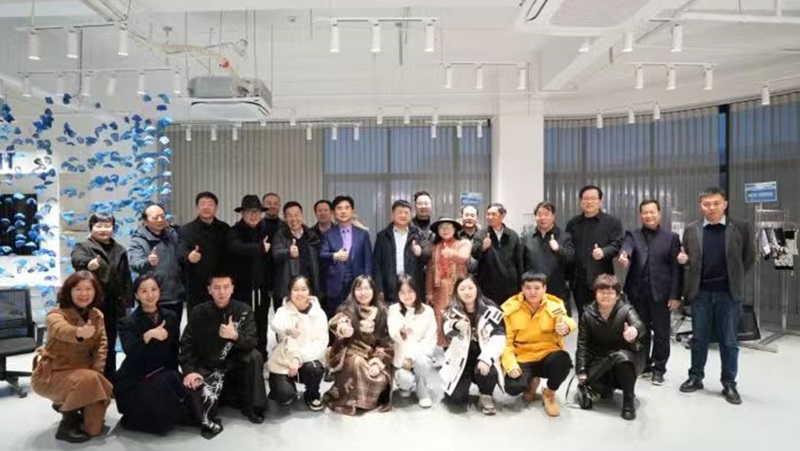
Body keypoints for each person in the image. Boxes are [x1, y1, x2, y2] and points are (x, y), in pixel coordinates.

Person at [115, 274, 220, 438]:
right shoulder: (127, 322)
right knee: (162, 424)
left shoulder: (170, 316)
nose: (150, 295)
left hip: (165, 374)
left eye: (153, 289)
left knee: (199, 391)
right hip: (136, 379)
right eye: (144, 291)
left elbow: (174, 351)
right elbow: (131, 354)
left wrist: (182, 378)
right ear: (136, 295)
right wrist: (146, 337)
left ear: (159, 291)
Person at [678, 187, 755, 405]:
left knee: (729, 341)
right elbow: (688, 259)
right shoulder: (691, 229)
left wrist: (734, 278)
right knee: (699, 339)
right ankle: (695, 377)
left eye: (716, 203)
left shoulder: (740, 228)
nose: (711, 208)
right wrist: (685, 262)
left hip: (728, 295)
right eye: (706, 204)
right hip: (700, 294)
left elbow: (749, 258)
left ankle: (729, 383)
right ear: (701, 206)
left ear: (725, 204)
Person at [31, 271, 113, 443]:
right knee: (89, 379)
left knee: (94, 429)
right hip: (52, 375)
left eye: (88, 289)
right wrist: (79, 332)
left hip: (84, 376)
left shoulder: (97, 315)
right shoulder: (56, 314)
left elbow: (102, 347)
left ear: (95, 291)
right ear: (69, 291)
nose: (84, 293)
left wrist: (97, 375)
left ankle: (75, 402)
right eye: (78, 289)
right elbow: (61, 329)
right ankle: (66, 423)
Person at [179, 274, 268, 424]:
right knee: (201, 413)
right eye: (217, 287)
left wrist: (235, 336)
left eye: (226, 287)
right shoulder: (199, 311)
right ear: (209, 290)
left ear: (232, 289)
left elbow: (253, 341)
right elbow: (186, 344)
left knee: (255, 356)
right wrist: (190, 371)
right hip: (208, 366)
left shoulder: (243, 309)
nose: (222, 292)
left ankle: (255, 407)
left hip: (235, 364)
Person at [618, 199, 682, 385]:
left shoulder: (671, 238)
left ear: (659, 213)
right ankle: (643, 365)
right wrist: (624, 256)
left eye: (652, 212)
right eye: (645, 212)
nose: (648, 215)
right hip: (637, 293)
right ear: (640, 215)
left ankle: (659, 369)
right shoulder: (633, 234)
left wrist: (675, 295)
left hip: (661, 294)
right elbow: (627, 247)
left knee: (662, 334)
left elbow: (676, 269)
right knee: (640, 331)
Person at [501, 272, 575, 417]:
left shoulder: (555, 305)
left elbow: (568, 321)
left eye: (537, 288)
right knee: (513, 388)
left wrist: (566, 327)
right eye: (528, 288)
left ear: (544, 288)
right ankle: (531, 382)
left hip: (547, 353)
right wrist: (510, 365)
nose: (532, 292)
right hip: (523, 356)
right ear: (522, 288)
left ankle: (549, 393)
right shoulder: (509, 309)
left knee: (563, 360)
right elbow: (506, 343)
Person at [71, 212, 133, 382]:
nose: (103, 229)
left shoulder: (120, 249)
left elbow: (126, 277)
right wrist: (88, 264)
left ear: (113, 228)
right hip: (92, 305)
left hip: (115, 305)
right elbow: (77, 260)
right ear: (91, 228)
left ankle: (108, 380)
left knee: (109, 344)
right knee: (90, 344)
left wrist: (128, 303)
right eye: (99, 226)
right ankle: (88, 381)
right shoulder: (83, 246)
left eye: (107, 226)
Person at [575, 274, 646, 421]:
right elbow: (582, 345)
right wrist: (581, 370)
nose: (605, 296)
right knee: (597, 388)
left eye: (610, 293)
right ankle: (600, 387)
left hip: (626, 359)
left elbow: (639, 324)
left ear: (618, 295)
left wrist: (634, 331)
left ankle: (628, 402)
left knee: (621, 357)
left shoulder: (626, 309)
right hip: (600, 361)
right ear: (595, 293)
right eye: (601, 292)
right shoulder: (587, 314)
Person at [324, 275, 393, 415]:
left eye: (367, 288)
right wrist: (343, 329)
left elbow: (387, 341)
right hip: (350, 352)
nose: (363, 292)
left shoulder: (382, 311)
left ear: (373, 291)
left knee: (381, 377)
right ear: (353, 291)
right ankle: (352, 401)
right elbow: (337, 322)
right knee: (356, 363)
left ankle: (366, 401)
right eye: (359, 289)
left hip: (374, 354)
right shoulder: (346, 308)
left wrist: (377, 363)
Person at [440, 276, 505, 415]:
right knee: (456, 399)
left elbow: (499, 336)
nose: (467, 292)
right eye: (462, 289)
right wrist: (455, 325)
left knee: (489, 371)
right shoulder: (451, 310)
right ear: (456, 292)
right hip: (460, 360)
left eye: (470, 288)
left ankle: (486, 394)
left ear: (477, 289)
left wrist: (486, 358)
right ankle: (460, 386)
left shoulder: (491, 309)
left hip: (483, 355)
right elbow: (446, 332)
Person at [267, 275, 328, 411]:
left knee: (314, 369)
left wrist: (298, 358)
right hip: (285, 360)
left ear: (310, 291)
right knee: (283, 395)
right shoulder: (283, 311)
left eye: (303, 289)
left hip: (307, 359)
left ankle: (312, 394)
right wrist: (286, 330)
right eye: (295, 289)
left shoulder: (319, 314)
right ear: (289, 292)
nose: (300, 293)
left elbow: (321, 344)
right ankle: (284, 388)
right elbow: (275, 325)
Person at [566, 185, 623, 316]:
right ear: (581, 201)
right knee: (583, 317)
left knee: (605, 317)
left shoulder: (612, 222)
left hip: (603, 280)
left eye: (593, 198)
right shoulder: (573, 224)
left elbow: (617, 244)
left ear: (600, 201)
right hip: (579, 281)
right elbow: (568, 249)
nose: (589, 202)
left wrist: (604, 252)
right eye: (585, 198)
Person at [226, 194, 271, 360]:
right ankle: (240, 357)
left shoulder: (265, 231)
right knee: (241, 322)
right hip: (241, 289)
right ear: (242, 213)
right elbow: (235, 247)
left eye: (257, 212)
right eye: (249, 212)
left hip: (261, 288)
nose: (254, 215)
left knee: (261, 322)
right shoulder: (234, 231)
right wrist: (259, 248)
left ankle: (261, 356)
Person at [387, 275, 437, 408]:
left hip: (420, 355)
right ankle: (406, 386)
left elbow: (429, 339)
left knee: (422, 362)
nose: (406, 296)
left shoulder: (428, 311)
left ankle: (423, 391)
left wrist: (411, 357)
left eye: (410, 291)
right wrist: (401, 331)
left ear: (416, 291)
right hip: (401, 358)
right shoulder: (394, 310)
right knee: (405, 380)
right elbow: (393, 333)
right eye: (402, 292)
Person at [129, 203, 185, 320]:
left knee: (174, 330)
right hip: (152, 298)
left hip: (175, 295)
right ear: (145, 221)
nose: (160, 220)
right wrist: (148, 262)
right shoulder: (138, 240)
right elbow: (135, 264)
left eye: (162, 216)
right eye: (155, 218)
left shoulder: (172, 234)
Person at [320, 195, 373, 318]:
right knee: (336, 319)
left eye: (347, 208)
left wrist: (368, 284)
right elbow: (322, 255)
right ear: (333, 213)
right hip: (335, 285)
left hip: (359, 284)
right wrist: (335, 256)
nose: (343, 211)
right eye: (339, 208)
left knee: (359, 318)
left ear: (352, 211)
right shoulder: (328, 234)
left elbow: (368, 262)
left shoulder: (362, 234)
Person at [179, 191, 230, 315]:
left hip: (220, 286)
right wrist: (189, 256)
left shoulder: (225, 228)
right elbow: (180, 250)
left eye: (210, 204)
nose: (206, 207)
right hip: (197, 286)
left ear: (216, 208)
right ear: (197, 208)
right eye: (202, 204)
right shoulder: (186, 230)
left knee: (221, 321)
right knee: (197, 321)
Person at [521, 202, 575, 315]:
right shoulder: (527, 237)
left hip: (557, 291)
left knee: (559, 323)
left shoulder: (564, 236)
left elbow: (571, 259)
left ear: (553, 216)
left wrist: (558, 249)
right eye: (539, 214)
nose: (543, 218)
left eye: (546, 214)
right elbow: (521, 264)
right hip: (533, 293)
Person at [373, 199, 431, 304]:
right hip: (390, 286)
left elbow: (428, 253)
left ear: (410, 215)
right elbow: (376, 265)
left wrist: (420, 252)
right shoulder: (382, 236)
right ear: (393, 214)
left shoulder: (418, 234)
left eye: (406, 213)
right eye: (400, 212)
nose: (403, 215)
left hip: (413, 285)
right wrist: (379, 289)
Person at [425, 217, 472, 346]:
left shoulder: (463, 243)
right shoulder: (434, 247)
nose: (445, 230)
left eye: (448, 227)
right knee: (440, 319)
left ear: (455, 229)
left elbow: (464, 257)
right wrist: (428, 293)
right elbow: (429, 271)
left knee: (459, 318)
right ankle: (442, 349)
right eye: (441, 227)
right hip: (439, 290)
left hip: (458, 289)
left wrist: (452, 253)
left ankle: (460, 349)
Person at [272, 201, 322, 305]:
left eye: (297, 215)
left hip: (309, 290)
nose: (294, 219)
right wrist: (288, 252)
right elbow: (276, 254)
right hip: (288, 291)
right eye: (289, 216)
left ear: (302, 216)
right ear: (285, 218)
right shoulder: (280, 236)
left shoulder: (311, 236)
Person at [475, 203, 523, 306]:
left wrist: (521, 285)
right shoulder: (481, 234)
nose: (490, 217)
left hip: (509, 286)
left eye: (493, 214)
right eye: (488, 214)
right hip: (488, 285)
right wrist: (483, 248)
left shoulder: (513, 235)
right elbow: (474, 253)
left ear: (502, 216)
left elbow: (519, 261)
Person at [261, 192, 285, 312]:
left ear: (279, 206)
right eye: (269, 203)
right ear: (263, 206)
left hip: (281, 276)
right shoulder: (257, 226)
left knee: (282, 313)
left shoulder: (286, 227)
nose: (272, 206)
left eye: (276, 203)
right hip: (262, 276)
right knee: (260, 314)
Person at [311, 199, 334, 311]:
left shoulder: (338, 232)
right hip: (316, 281)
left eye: (325, 210)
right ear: (315, 213)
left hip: (335, 281)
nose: (322, 213)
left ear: (331, 212)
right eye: (319, 210)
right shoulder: (309, 233)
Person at [457, 205, 481, 275]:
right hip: (459, 276)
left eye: (472, 215)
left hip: (480, 277)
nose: (469, 218)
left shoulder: (483, 236)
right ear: (461, 217)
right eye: (466, 215)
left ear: (477, 218)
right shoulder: (455, 236)